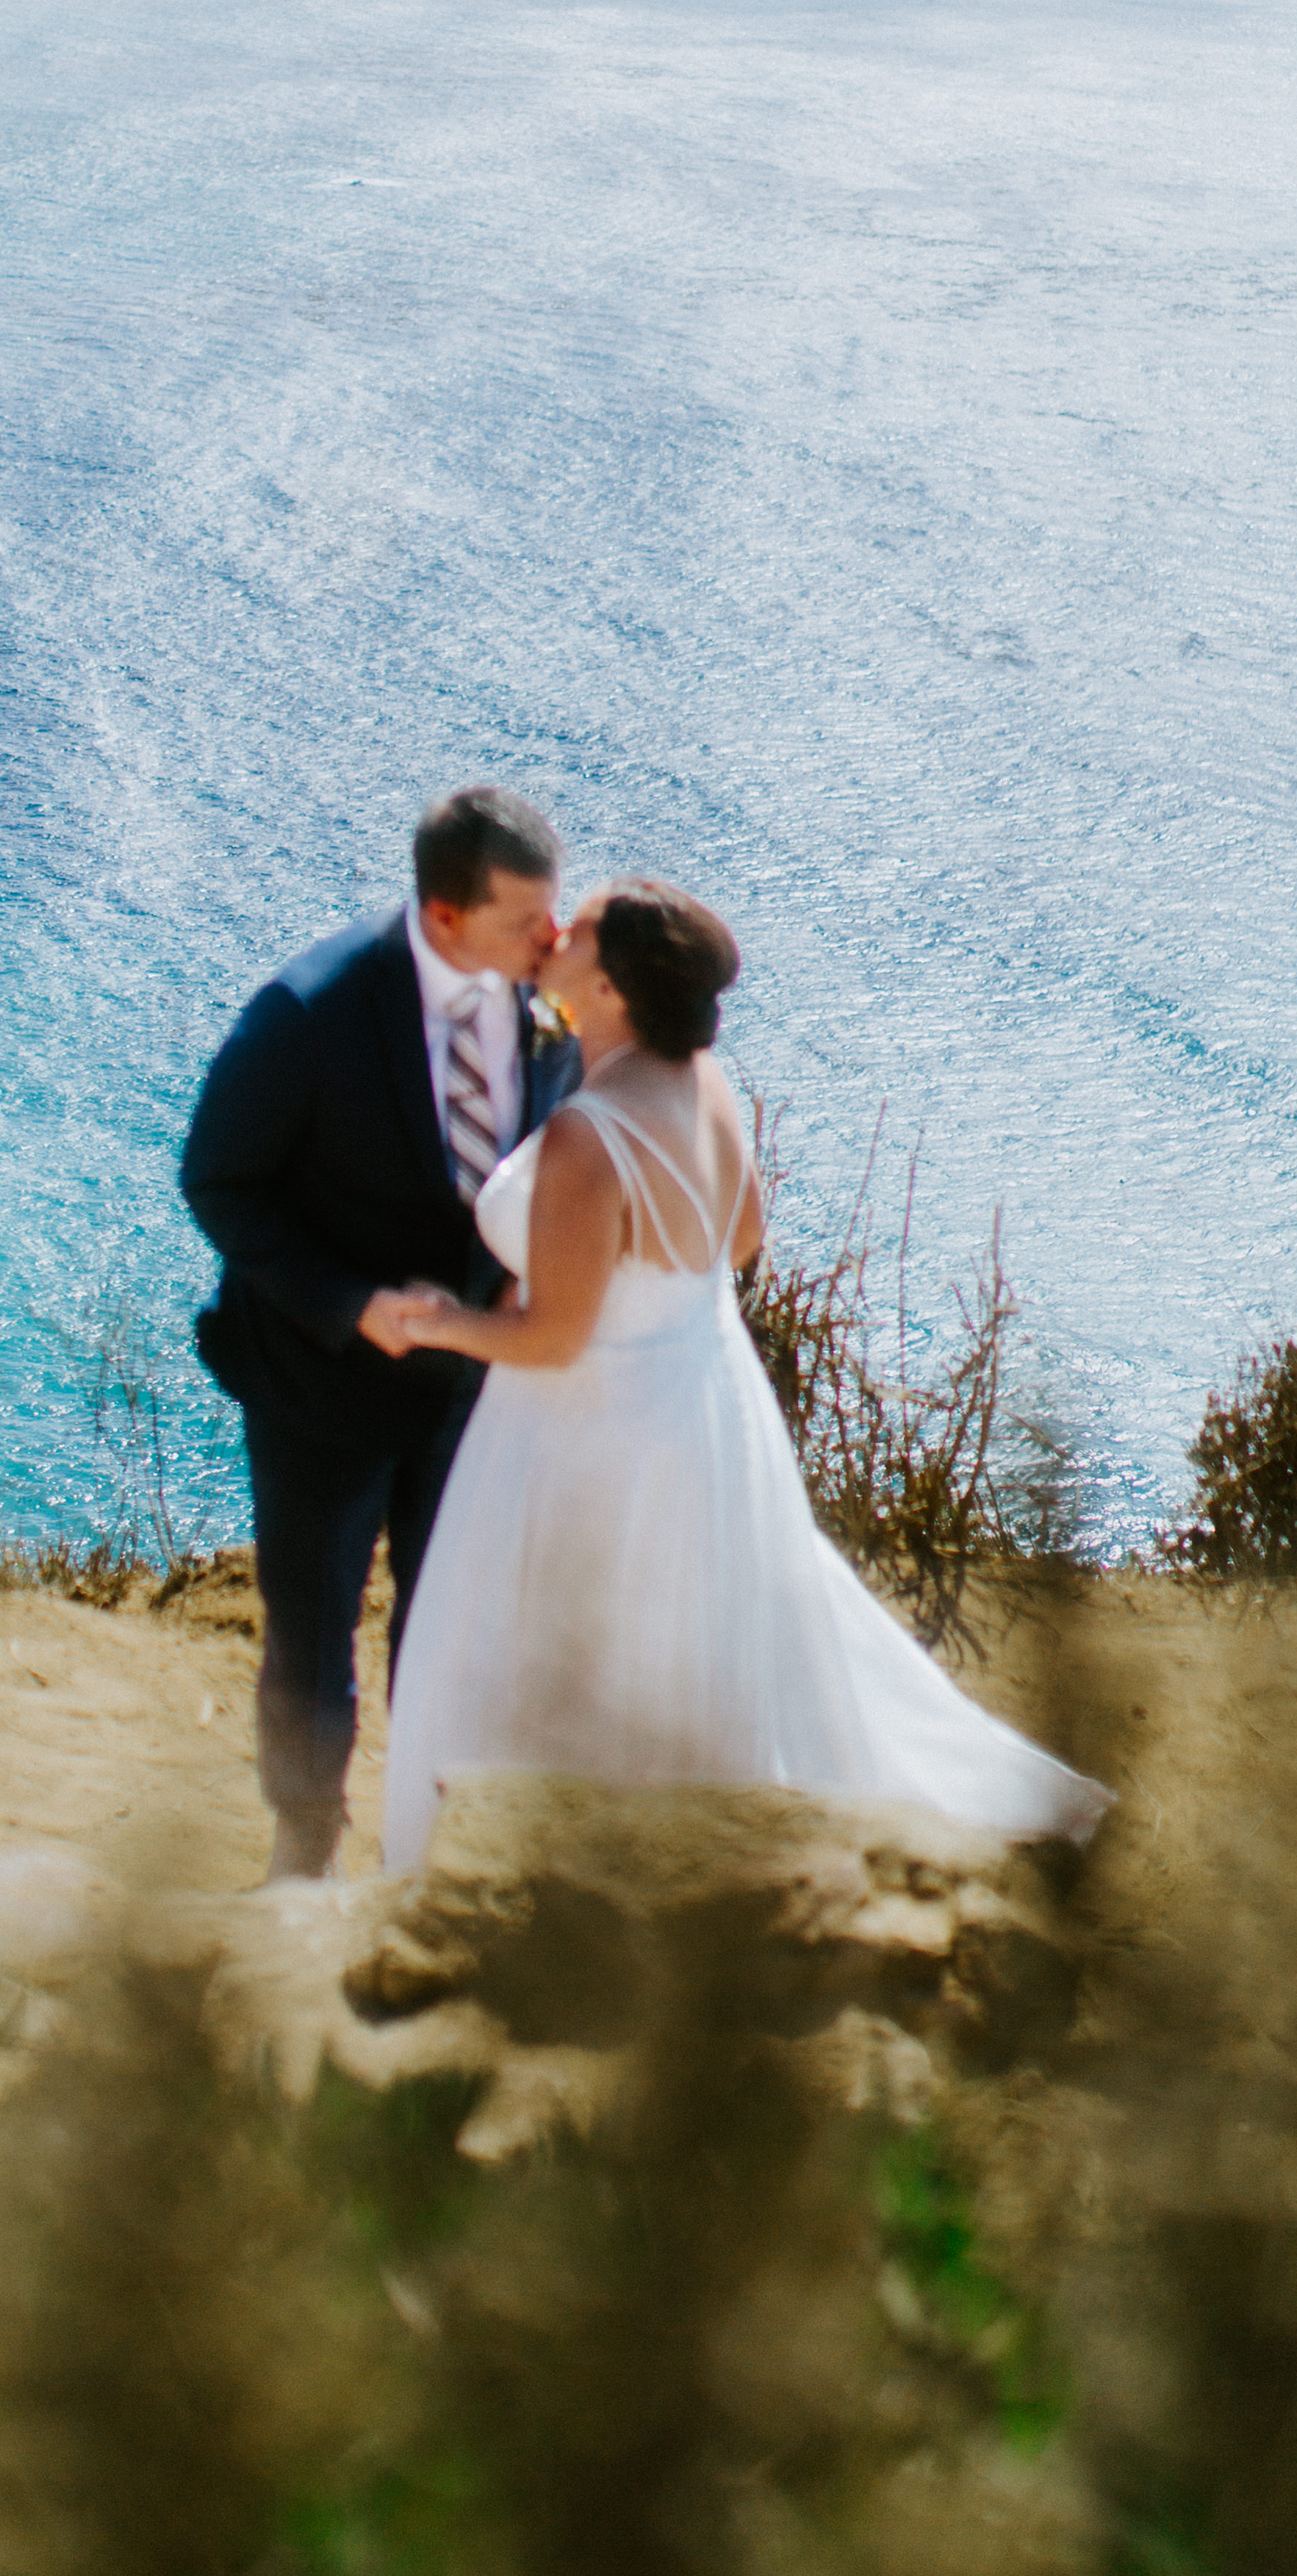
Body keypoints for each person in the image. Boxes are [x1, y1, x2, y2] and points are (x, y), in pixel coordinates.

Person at [378, 879, 1110, 1875]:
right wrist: (637, 1289)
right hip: (701, 1405)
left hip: (586, 1437)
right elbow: (744, 1235)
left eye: (578, 929)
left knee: (536, 1648)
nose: (556, 930)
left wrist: (440, 1325)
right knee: (686, 1645)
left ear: (609, 992)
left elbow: (551, 1340)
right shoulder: (702, 1083)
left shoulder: (591, 1139)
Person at [182, 786, 585, 1880]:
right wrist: (351, 1304)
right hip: (321, 1388)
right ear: (446, 917)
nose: (550, 943)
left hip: (470, 1393)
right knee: (311, 1635)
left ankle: (423, 1845)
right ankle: (302, 1848)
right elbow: (218, 1181)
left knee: (446, 1625)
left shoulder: (545, 1013)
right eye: (523, 923)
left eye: (553, 918)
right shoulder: (310, 1012)